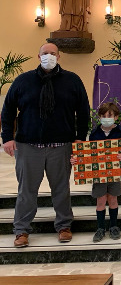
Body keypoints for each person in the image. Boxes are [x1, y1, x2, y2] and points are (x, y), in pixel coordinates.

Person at [0, 43, 90, 248]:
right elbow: (8, 110)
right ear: (38, 56)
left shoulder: (72, 80)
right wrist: (7, 137)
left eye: (52, 53)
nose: (48, 56)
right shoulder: (23, 81)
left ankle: (64, 226)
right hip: (28, 145)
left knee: (61, 189)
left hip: (61, 145)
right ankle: (21, 230)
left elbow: (83, 111)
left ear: (59, 56)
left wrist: (79, 138)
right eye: (44, 53)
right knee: (26, 191)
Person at [71, 102, 121, 243]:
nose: (106, 118)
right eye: (103, 116)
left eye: (109, 116)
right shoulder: (94, 133)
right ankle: (100, 228)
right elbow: (89, 154)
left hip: (115, 172)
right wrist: (77, 159)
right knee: (100, 200)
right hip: (99, 174)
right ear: (99, 117)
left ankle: (114, 226)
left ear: (116, 117)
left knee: (113, 199)